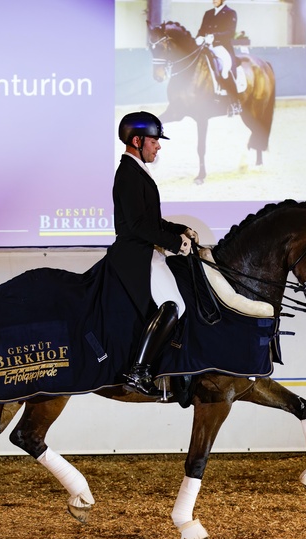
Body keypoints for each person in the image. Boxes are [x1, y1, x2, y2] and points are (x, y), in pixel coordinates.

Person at [108, 111, 199, 396]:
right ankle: (139, 371)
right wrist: (175, 243)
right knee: (173, 306)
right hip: (136, 255)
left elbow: (150, 220)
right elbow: (137, 225)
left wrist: (179, 229)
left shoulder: (136, 171)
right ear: (137, 141)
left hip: (146, 250)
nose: (158, 146)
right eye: (154, 141)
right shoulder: (128, 174)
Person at [195, 0, 241, 117]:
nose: (214, 0)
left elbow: (230, 33)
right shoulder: (208, 13)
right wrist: (199, 37)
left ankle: (234, 102)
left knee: (225, 69)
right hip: (206, 45)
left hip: (221, 46)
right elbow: (202, 30)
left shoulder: (230, 13)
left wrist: (214, 37)